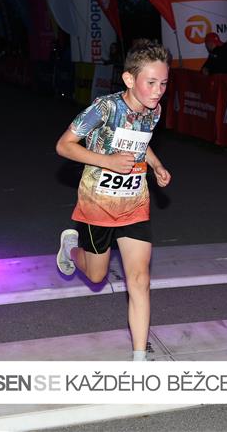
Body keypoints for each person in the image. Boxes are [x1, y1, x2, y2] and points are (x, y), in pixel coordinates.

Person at [55, 39, 172, 361]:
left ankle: (139, 360)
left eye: (163, 83)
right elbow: (64, 146)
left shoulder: (153, 110)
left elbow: (141, 143)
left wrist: (156, 165)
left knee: (140, 280)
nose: (158, 91)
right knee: (97, 275)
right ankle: (71, 248)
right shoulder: (104, 108)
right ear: (129, 79)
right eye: (151, 83)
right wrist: (107, 161)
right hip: (98, 205)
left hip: (135, 204)